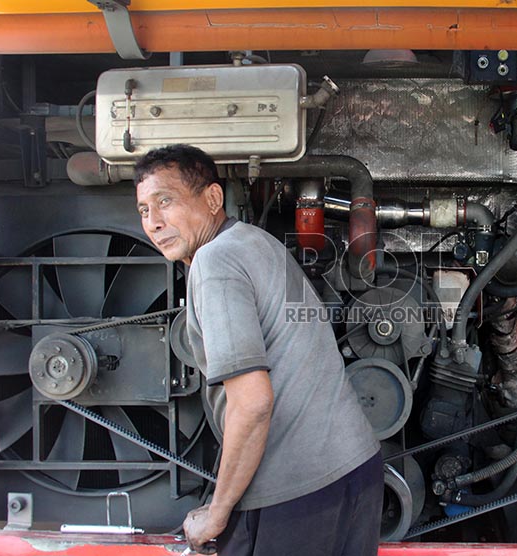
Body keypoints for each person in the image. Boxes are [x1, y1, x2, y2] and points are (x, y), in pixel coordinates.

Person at [134, 144, 382, 556]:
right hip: (354, 469)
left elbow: (252, 405)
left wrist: (218, 511)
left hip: (298, 498)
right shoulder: (254, 241)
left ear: (213, 198)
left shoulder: (214, 262)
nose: (154, 223)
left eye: (165, 202)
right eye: (144, 210)